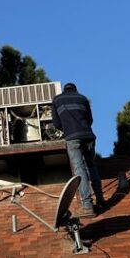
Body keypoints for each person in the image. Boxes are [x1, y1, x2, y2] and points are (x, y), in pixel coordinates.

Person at [51, 83, 104, 217]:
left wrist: (67, 128)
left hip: (72, 138)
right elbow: (90, 120)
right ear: (75, 90)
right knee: (92, 166)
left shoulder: (57, 100)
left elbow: (56, 123)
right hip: (88, 136)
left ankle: (87, 206)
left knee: (79, 169)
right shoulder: (83, 98)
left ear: (64, 90)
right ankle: (101, 200)